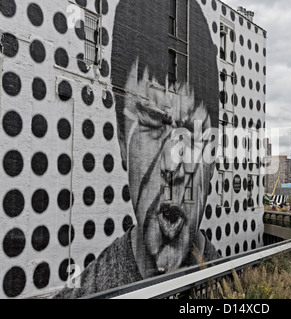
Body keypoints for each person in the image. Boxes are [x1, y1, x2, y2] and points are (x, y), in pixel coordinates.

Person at [54, 0, 221, 298]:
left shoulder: (236, 287)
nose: (174, 165)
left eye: (193, 135)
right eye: (154, 125)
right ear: (121, 141)